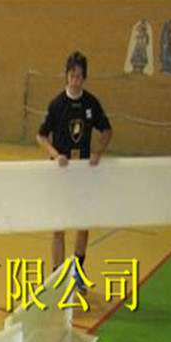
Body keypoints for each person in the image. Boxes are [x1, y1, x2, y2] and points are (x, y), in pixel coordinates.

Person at [36, 51, 113, 292]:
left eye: (79, 76)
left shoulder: (91, 103)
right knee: (58, 227)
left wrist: (98, 151)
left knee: (82, 224)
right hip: (61, 174)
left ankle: (78, 271)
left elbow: (107, 130)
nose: (75, 80)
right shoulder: (57, 104)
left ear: (84, 78)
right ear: (66, 76)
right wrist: (54, 154)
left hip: (83, 175)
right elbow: (41, 136)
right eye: (72, 75)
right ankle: (58, 276)